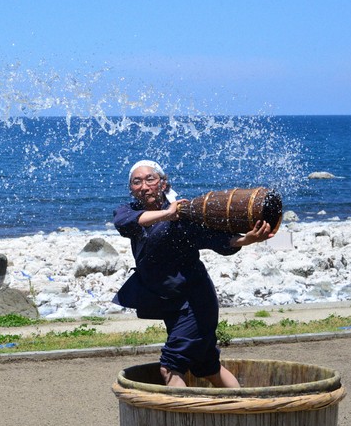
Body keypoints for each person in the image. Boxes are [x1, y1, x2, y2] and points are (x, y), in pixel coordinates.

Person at [112, 160, 274, 388]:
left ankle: (182, 423)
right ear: (131, 188)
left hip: (195, 303)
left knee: (170, 367)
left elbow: (218, 240)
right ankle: (244, 414)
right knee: (208, 367)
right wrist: (167, 214)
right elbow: (124, 223)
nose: (144, 186)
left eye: (150, 179)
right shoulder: (130, 212)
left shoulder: (185, 215)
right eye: (136, 181)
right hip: (171, 304)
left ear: (163, 183)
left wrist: (247, 239)